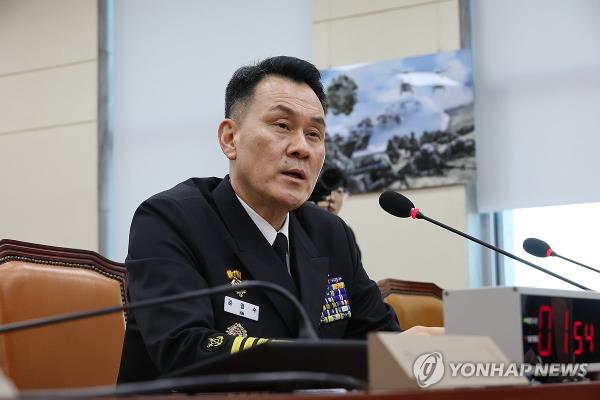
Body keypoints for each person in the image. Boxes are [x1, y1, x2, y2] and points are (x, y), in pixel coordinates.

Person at [118, 56, 439, 384]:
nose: (302, 148)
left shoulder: (330, 233)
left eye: (314, 134)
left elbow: (377, 335)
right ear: (230, 139)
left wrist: (413, 351)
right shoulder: (171, 220)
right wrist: (344, 360)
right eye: (282, 126)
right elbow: (186, 351)